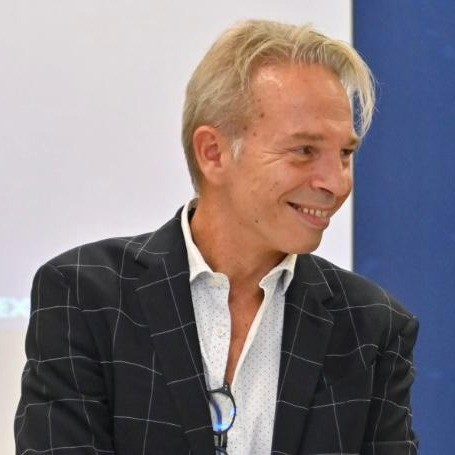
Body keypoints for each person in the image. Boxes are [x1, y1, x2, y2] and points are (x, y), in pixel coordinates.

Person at [15, 19, 419, 455]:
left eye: (345, 153)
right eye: (304, 150)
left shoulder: (371, 327)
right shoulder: (85, 297)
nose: (336, 183)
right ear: (213, 152)